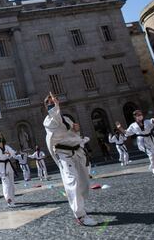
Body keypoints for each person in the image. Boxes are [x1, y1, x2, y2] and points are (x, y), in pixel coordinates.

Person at [43, 92, 97, 226]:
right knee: (72, 181)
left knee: (84, 181)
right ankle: (80, 215)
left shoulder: (66, 119)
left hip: (76, 152)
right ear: (47, 107)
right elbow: (56, 119)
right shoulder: (49, 121)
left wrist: (76, 130)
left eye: (54, 101)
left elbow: (73, 135)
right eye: (50, 103)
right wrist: (56, 105)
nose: (53, 103)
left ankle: (81, 205)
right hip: (64, 155)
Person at [116, 110, 154, 176]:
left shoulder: (146, 122)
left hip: (150, 139)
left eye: (141, 114)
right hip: (141, 141)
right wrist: (120, 128)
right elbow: (126, 132)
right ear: (135, 116)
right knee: (151, 154)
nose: (140, 116)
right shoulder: (133, 125)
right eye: (138, 115)